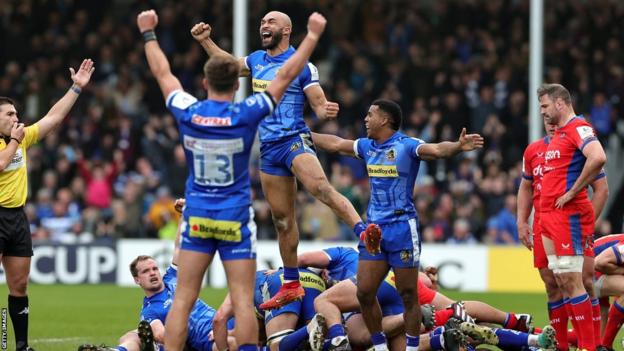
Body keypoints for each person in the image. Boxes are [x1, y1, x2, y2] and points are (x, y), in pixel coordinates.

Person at [136, 8, 327, 351]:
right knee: (241, 297)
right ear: (237, 85)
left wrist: (149, 34)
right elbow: (285, 75)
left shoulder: (188, 111)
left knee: (182, 299)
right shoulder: (247, 112)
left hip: (197, 214)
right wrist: (311, 37)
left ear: (205, 84)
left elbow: (163, 73)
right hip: (234, 217)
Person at [191, 12, 377, 310]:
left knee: (320, 189)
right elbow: (228, 65)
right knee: (282, 220)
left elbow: (316, 99)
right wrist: (206, 41)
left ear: (287, 30)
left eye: (271, 22)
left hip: (293, 140)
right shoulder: (256, 60)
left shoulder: (302, 65)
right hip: (268, 150)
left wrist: (323, 108)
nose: (264, 25)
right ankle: (291, 284)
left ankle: (365, 233)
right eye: (262, 22)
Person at [311, 99, 484, 350]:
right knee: (364, 293)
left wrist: (457, 147)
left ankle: (412, 348)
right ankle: (380, 347)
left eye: (371, 115)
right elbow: (337, 144)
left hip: (403, 229)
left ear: (385, 120)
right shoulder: (367, 147)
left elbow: (436, 150)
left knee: (408, 295)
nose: (366, 119)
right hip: (375, 232)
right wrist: (304, 134)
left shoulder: (407, 146)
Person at [0, 58, 95, 351]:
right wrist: (16, 141)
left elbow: (53, 119)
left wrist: (76, 89)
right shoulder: (16, 141)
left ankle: (21, 346)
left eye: (16, 112)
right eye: (9, 113)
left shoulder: (20, 137)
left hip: (16, 217)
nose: (17, 116)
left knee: (19, 286)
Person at [517, 119, 608, 351]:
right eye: (545, 117)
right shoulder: (533, 150)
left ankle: (593, 344)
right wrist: (521, 221)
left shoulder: (576, 147)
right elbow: (526, 186)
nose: (550, 123)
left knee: (584, 281)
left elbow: (602, 189)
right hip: (542, 224)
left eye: (552, 115)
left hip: (571, 222)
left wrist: (587, 224)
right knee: (553, 284)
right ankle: (561, 346)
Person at [537, 83, 607, 351]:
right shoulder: (560, 133)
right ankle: (578, 346)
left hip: (568, 217)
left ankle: (591, 347)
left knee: (574, 281)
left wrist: (574, 191)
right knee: (562, 281)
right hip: (550, 218)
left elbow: (598, 156)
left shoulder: (579, 127)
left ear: (560, 103)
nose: (542, 112)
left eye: (545, 106)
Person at [213, 268, 328, 351]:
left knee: (276, 346)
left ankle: (309, 328)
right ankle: (335, 337)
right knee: (315, 343)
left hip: (281, 283)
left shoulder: (239, 291)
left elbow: (219, 319)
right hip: (313, 280)